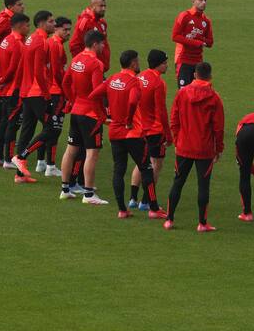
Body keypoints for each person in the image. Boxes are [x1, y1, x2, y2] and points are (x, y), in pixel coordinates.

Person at [89, 50, 165, 219]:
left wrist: (102, 117)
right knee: (147, 169)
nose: (139, 64)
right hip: (133, 134)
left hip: (115, 133)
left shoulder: (112, 79)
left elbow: (93, 95)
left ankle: (122, 210)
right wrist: (129, 119)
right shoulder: (134, 82)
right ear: (133, 63)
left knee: (119, 171)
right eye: (137, 61)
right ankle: (153, 208)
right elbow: (132, 101)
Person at [164, 62, 225, 232]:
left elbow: (174, 120)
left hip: (184, 147)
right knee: (203, 185)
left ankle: (169, 219)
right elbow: (218, 128)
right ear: (210, 76)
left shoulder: (182, 94)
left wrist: (177, 140)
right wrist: (218, 148)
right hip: (204, 149)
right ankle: (202, 223)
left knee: (178, 182)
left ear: (194, 75)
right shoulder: (214, 98)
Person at [59, 30, 108, 204]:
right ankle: (88, 194)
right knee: (91, 154)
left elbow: (65, 83)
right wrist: (103, 114)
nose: (103, 46)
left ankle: (65, 189)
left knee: (71, 150)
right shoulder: (96, 63)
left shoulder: (76, 59)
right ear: (95, 44)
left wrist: (73, 100)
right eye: (102, 44)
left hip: (77, 111)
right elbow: (96, 93)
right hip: (90, 114)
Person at [11, 10, 56, 181]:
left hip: (27, 91)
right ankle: (22, 157)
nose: (54, 24)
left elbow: (24, 65)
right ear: (42, 23)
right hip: (36, 92)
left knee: (27, 131)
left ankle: (20, 175)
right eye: (51, 22)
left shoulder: (31, 38)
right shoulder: (42, 41)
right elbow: (39, 71)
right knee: (51, 129)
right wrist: (47, 96)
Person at [128, 49, 172, 211]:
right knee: (155, 165)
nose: (167, 66)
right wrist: (168, 134)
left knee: (141, 163)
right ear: (158, 64)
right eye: (165, 63)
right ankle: (146, 200)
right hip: (154, 130)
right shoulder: (158, 83)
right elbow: (161, 111)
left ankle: (133, 198)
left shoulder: (139, 77)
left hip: (139, 129)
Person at [34, 16, 71, 177]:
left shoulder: (51, 43)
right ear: (56, 29)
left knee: (48, 127)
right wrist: (67, 91)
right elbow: (57, 72)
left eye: (69, 29)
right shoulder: (56, 45)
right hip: (57, 92)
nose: (68, 33)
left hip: (50, 91)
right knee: (54, 130)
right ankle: (50, 165)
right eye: (65, 29)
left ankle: (41, 162)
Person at [0, 13, 29, 169]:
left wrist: (0, 82)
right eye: (27, 25)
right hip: (13, 90)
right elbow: (14, 68)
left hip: (4, 90)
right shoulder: (18, 44)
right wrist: (2, 81)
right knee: (12, 125)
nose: (29, 29)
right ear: (20, 26)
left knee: (3, 124)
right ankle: (8, 160)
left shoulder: (6, 40)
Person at [172, 0, 213, 88]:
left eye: (205, 0)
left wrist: (200, 39)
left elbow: (210, 42)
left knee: (198, 92)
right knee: (183, 93)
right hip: (183, 60)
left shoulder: (206, 21)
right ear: (193, 1)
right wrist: (196, 42)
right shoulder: (184, 16)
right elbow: (175, 36)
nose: (204, 2)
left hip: (198, 62)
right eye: (201, 0)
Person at [69, 0, 110, 72]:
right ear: (92, 6)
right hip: (89, 71)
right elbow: (74, 45)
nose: (104, 9)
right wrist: (81, 66)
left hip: (98, 69)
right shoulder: (85, 22)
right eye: (101, 6)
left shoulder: (102, 23)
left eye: (105, 6)